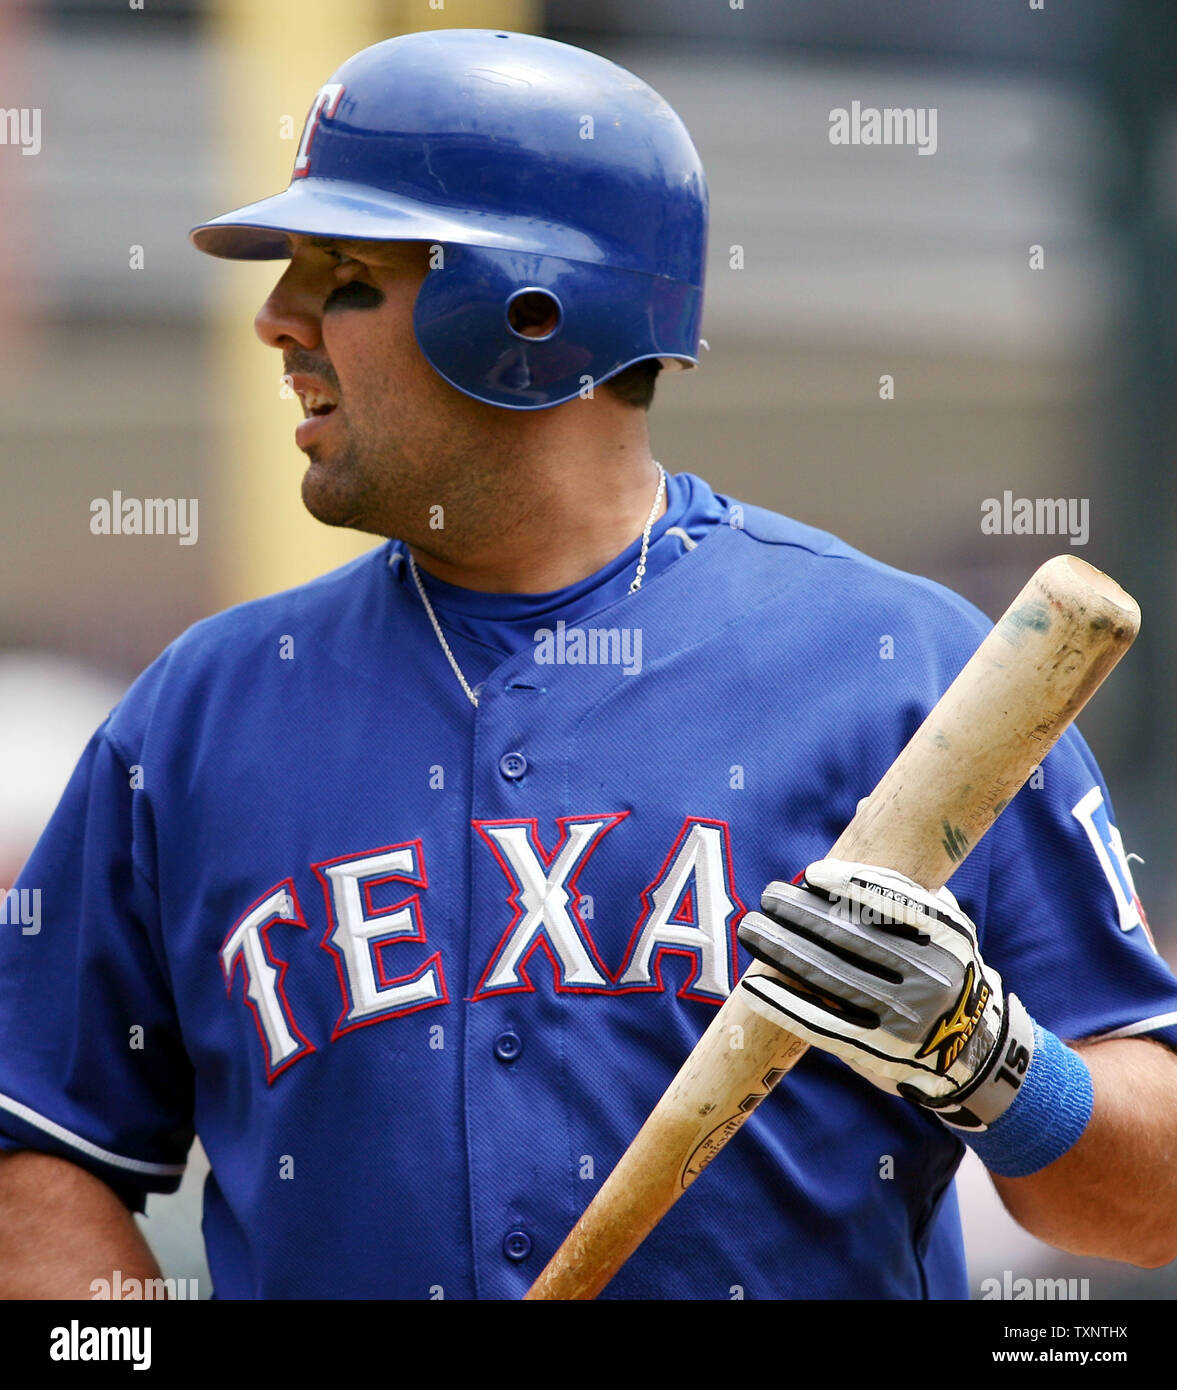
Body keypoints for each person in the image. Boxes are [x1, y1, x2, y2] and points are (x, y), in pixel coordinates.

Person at [2, 28, 1176, 1301]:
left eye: (341, 276)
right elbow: (37, 1156)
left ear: (527, 311)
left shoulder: (908, 673)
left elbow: (1149, 1205)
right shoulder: (198, 715)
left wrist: (989, 1061)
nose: (277, 320)